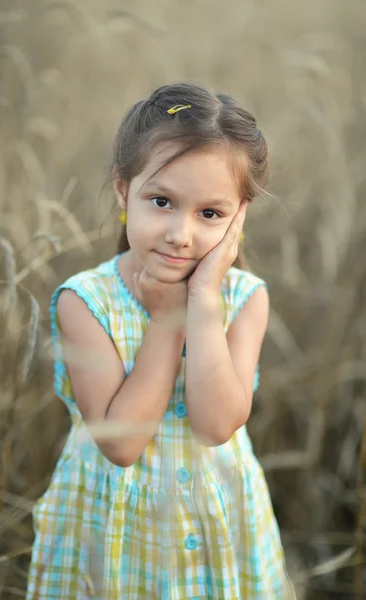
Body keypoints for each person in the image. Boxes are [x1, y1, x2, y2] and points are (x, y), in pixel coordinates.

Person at [27, 82, 296, 599]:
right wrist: (168, 320)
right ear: (123, 191)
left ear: (240, 217)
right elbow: (122, 443)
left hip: (217, 521)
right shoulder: (86, 302)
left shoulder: (243, 300)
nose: (181, 233)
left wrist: (202, 300)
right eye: (162, 201)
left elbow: (216, 425)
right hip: (112, 531)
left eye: (210, 214)